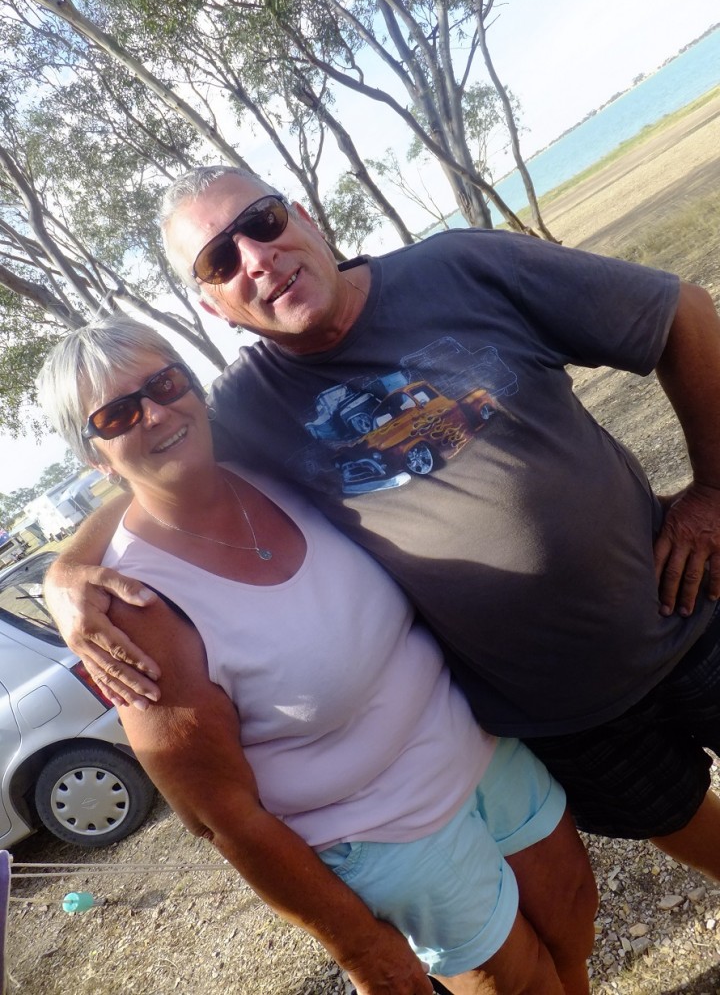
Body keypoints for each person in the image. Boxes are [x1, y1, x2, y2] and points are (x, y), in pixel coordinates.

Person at [46, 166, 720, 888]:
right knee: (682, 822)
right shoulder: (246, 409)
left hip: (688, 610)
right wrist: (66, 569)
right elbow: (158, 465)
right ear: (215, 305)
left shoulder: (461, 268)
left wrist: (713, 492)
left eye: (262, 222)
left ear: (304, 217)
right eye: (220, 261)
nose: (256, 258)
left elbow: (681, 312)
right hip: (560, 713)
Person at [36, 316, 597, 995]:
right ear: (96, 458)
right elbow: (221, 816)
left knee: (574, 918)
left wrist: (59, 567)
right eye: (117, 414)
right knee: (522, 984)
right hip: (380, 828)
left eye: (164, 383)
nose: (155, 412)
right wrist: (358, 946)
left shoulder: (268, 462)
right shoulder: (136, 608)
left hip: (476, 742)